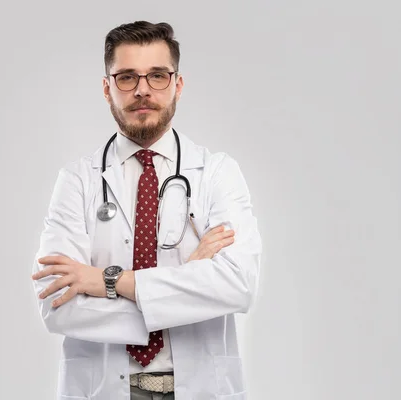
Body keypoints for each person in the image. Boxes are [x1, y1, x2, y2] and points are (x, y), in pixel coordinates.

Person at [31, 20, 262, 400]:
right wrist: (188, 281)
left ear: (178, 84)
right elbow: (58, 306)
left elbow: (237, 286)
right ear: (107, 89)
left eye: (157, 75)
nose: (142, 90)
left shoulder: (217, 173)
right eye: (126, 77)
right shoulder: (77, 181)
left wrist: (110, 281)